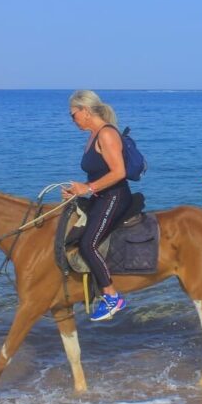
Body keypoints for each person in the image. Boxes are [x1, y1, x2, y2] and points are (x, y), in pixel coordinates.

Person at [64, 90, 132, 321]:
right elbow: (98, 173)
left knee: (88, 244)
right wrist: (79, 189)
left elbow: (119, 172)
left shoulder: (106, 134)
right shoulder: (92, 135)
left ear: (85, 110)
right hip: (100, 196)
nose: (72, 119)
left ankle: (113, 297)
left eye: (73, 114)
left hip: (115, 196)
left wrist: (88, 189)